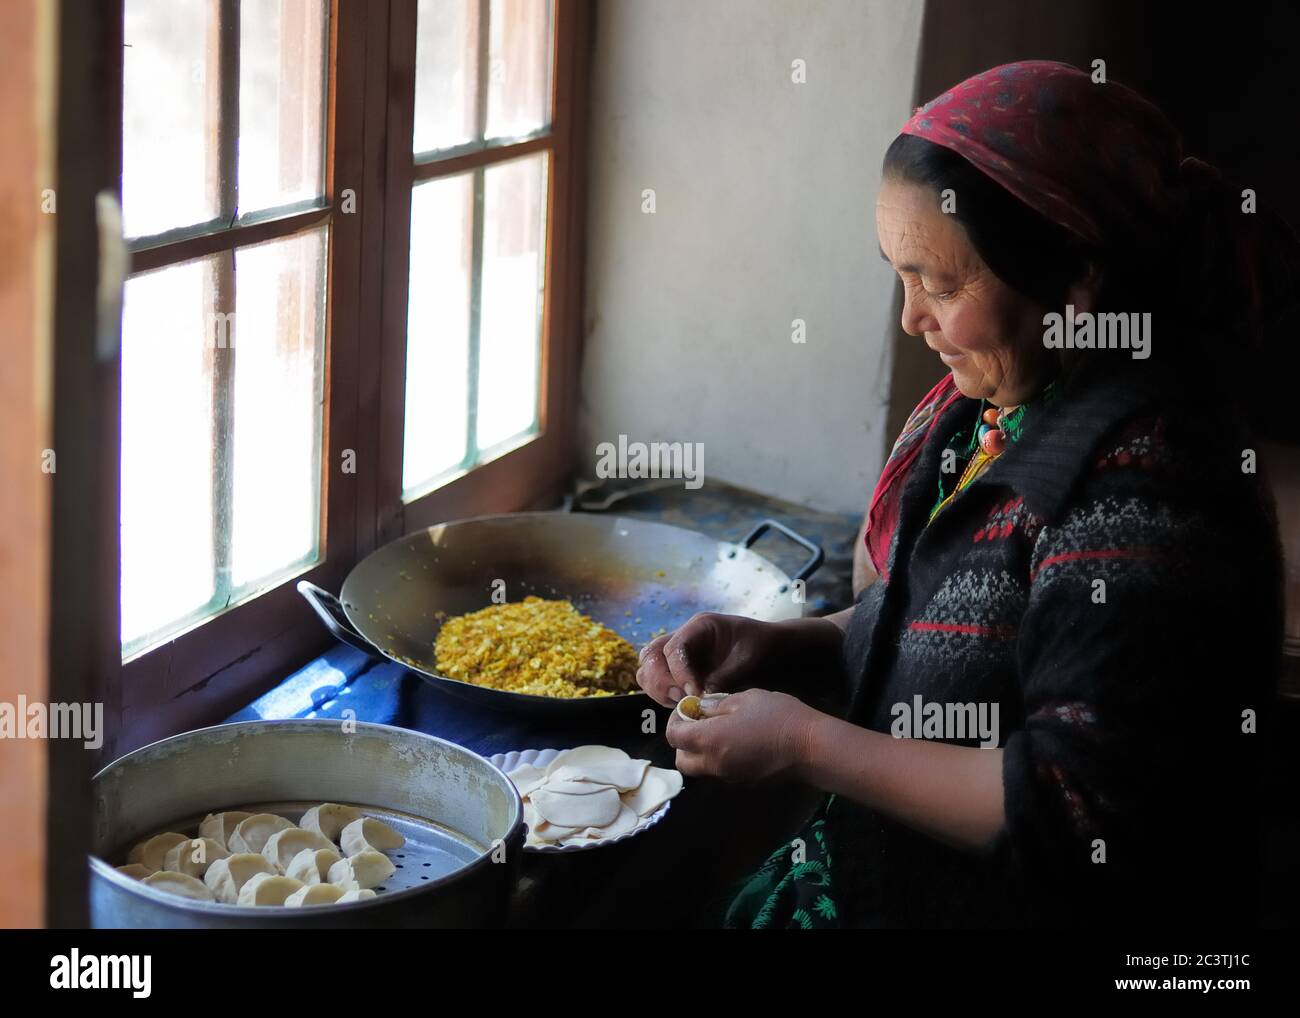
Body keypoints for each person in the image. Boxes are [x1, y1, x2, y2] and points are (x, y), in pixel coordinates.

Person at [637, 61, 1296, 928]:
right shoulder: (986, 409)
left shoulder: (1151, 491)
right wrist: (780, 646)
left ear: (1075, 281)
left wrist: (804, 742)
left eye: (941, 285)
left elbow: (1067, 805)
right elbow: (953, 626)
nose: (912, 318)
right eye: (900, 273)